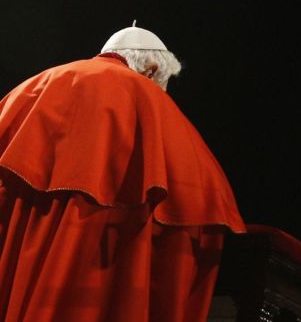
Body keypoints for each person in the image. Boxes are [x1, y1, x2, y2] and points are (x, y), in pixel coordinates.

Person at [0, 24, 245, 321]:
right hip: (92, 261)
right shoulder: (151, 104)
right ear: (152, 70)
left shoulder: (33, 86)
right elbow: (203, 194)